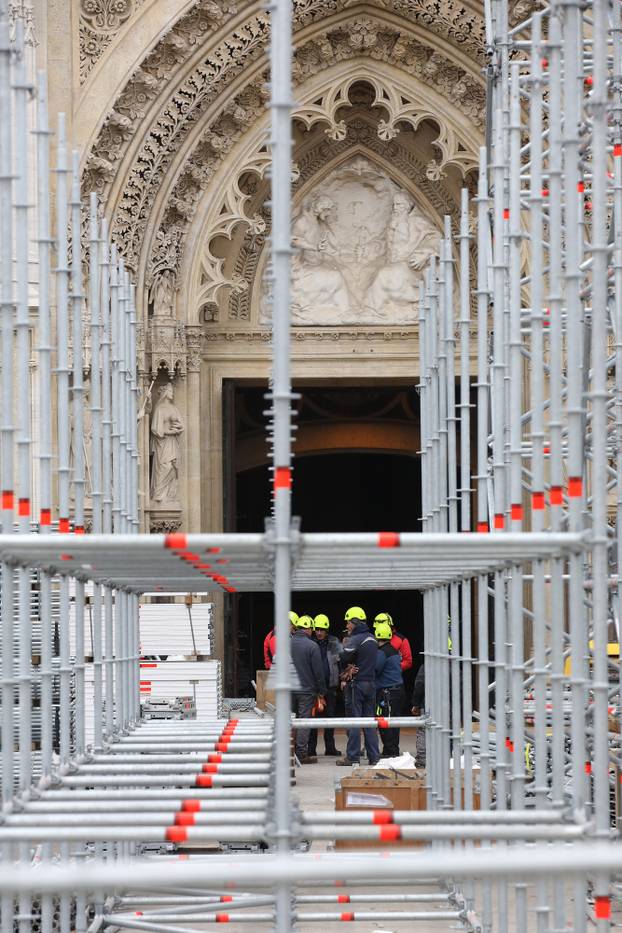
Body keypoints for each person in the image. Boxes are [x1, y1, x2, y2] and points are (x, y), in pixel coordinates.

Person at [336, 606, 380, 767]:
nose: (346, 626)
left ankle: (353, 757)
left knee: (354, 721)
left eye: (348, 622)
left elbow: (342, 657)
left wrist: (344, 661)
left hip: (357, 685)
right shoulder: (372, 638)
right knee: (370, 722)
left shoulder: (355, 639)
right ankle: (374, 756)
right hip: (371, 684)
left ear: (354, 622)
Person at [290, 615, 327, 765]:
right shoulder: (312, 646)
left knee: (289, 721)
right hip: (306, 691)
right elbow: (318, 671)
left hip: (289, 690)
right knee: (304, 722)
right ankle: (301, 754)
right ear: (309, 629)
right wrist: (322, 690)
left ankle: (288, 753)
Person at [307, 613, 342, 757]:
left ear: (327, 630)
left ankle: (330, 747)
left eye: (322, 629)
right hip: (314, 688)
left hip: (330, 686)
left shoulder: (334, 643)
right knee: (312, 719)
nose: (319, 632)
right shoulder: (311, 643)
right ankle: (311, 748)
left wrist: (342, 679)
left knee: (330, 718)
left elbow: (341, 662)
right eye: (317, 629)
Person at [374, 619, 405, 758]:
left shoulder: (382, 652)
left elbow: (376, 669)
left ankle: (390, 752)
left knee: (386, 722)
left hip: (387, 693)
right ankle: (392, 750)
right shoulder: (393, 650)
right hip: (397, 690)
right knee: (394, 722)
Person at [411, 662, 426, 768]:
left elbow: (419, 684)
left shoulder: (427, 666)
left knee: (423, 730)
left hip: (429, 704)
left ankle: (422, 759)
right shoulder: (455, 665)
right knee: (448, 731)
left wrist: (416, 704)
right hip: (450, 705)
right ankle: (448, 757)